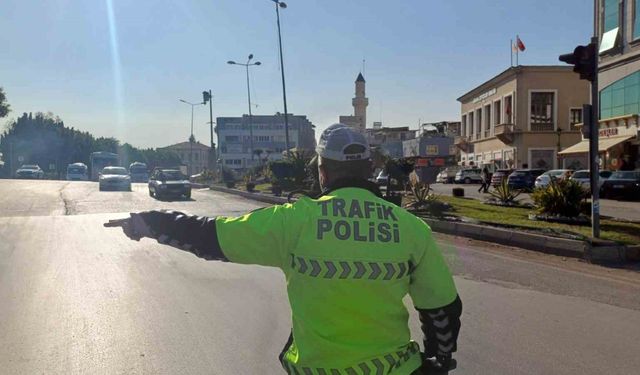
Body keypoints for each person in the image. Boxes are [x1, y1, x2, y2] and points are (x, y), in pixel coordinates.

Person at [105, 124, 462, 374]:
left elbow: (208, 236)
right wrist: (439, 359)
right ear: (370, 169)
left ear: (322, 171)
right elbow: (442, 309)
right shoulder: (412, 228)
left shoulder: (294, 221)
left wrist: (149, 221)